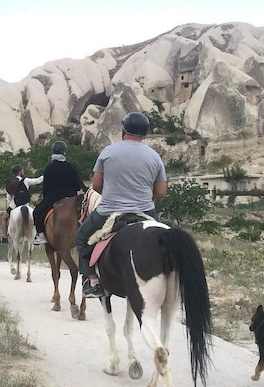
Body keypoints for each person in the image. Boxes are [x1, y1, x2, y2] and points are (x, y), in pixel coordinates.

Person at [75, 111, 167, 298]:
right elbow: (160, 192)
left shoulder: (108, 152)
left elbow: (96, 186)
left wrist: (115, 194)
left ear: (123, 129)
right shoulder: (154, 156)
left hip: (109, 210)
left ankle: (92, 281)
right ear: (145, 133)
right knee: (166, 241)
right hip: (145, 211)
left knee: (81, 239)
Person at [32, 141, 85, 245]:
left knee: (37, 212)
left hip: (53, 198)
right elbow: (77, 186)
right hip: (71, 198)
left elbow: (45, 187)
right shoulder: (71, 167)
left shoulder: (49, 168)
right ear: (64, 153)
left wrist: (46, 197)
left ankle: (41, 235)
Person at [0, 164, 43, 244]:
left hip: (14, 206)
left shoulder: (10, 183)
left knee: (4, 218)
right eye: (22, 170)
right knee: (37, 217)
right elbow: (38, 181)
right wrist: (45, 175)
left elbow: (9, 198)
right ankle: (37, 235)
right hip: (26, 205)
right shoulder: (26, 180)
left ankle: (4, 237)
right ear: (19, 172)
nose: (23, 171)